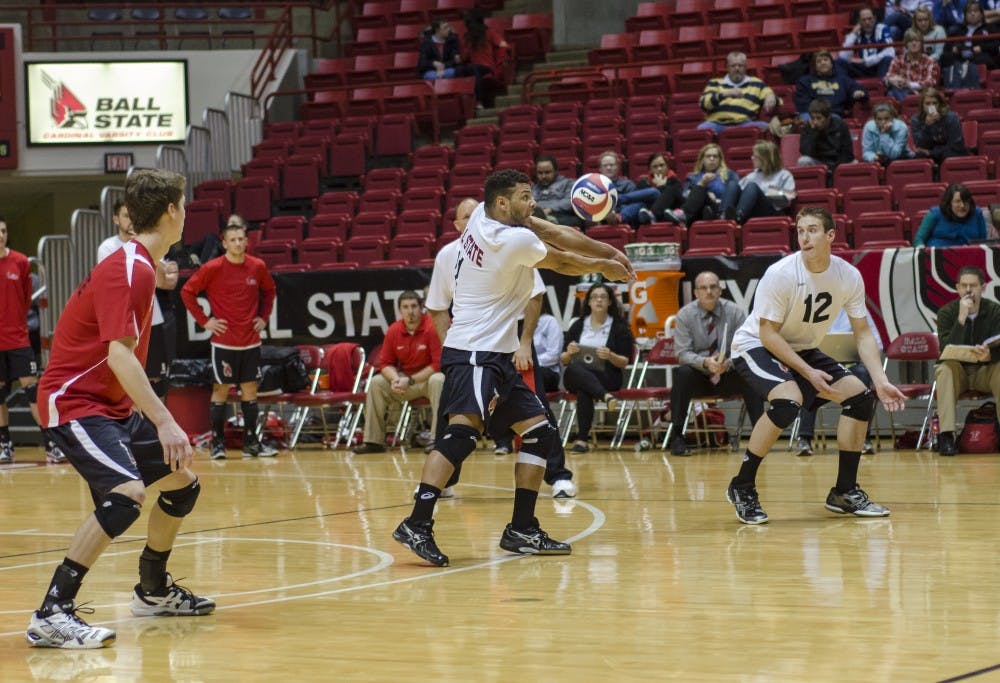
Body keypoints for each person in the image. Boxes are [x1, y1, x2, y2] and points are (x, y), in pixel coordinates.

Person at [393, 170, 633, 567]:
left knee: (539, 433)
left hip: (497, 356)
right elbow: (566, 260)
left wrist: (609, 252)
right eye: (525, 196)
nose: (532, 203)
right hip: (473, 352)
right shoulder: (508, 239)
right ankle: (417, 524)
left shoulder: (482, 219)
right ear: (503, 203)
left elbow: (555, 231)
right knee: (461, 436)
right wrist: (605, 267)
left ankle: (522, 528)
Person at [26, 169, 214, 650]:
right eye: (185, 204)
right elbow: (119, 354)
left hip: (108, 404)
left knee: (181, 485)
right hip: (72, 401)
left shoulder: (143, 265)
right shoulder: (132, 267)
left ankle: (152, 591)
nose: (187, 212)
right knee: (125, 495)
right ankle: (52, 612)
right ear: (171, 210)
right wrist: (166, 419)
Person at [725, 206, 906, 525]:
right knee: (786, 402)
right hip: (755, 345)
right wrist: (807, 373)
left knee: (861, 399)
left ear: (830, 236)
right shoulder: (782, 273)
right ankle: (742, 486)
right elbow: (768, 333)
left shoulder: (848, 276)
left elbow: (863, 333)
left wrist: (880, 379)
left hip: (801, 347)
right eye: (799, 230)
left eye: (812, 230)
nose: (804, 237)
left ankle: (844, 492)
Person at [425, 197, 578, 498]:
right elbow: (437, 307)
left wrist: (524, 343)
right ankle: (443, 485)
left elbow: (535, 296)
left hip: (512, 338)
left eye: (476, 213)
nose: (472, 219)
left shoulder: (506, 243)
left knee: (538, 415)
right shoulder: (448, 255)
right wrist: (448, 346)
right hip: (470, 344)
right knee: (455, 418)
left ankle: (558, 475)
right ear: (457, 225)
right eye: (465, 216)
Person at [180, 217, 277, 461]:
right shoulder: (212, 268)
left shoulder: (257, 266)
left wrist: (264, 317)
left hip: (251, 340)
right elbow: (187, 292)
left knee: (250, 391)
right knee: (220, 389)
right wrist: (205, 321)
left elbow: (270, 291)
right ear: (224, 243)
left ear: (247, 241)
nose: (237, 243)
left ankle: (252, 444)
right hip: (224, 342)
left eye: (241, 239)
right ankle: (218, 444)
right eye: (232, 240)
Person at [667, 271, 764, 456]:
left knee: (750, 374)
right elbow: (681, 353)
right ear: (696, 292)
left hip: (728, 374)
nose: (709, 291)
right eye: (703, 288)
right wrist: (705, 362)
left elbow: (745, 348)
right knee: (681, 374)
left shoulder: (735, 312)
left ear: (720, 290)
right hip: (700, 376)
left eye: (713, 287)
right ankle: (677, 437)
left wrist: (726, 364)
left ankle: (760, 437)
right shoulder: (685, 315)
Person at [97, 200, 179, 400]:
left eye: (135, 215)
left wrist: (150, 254)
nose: (131, 221)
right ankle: (135, 430)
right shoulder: (108, 247)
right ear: (116, 219)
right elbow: (124, 283)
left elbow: (168, 283)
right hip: (125, 322)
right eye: (126, 216)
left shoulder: (149, 244)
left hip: (153, 320)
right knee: (128, 381)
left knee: (157, 380)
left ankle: (156, 430)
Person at [0, 218, 65, 464]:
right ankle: (5, 445)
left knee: (32, 391)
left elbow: (26, 298)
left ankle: (50, 443)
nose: (1, 235)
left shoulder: (20, 261)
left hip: (18, 340)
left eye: (4, 231)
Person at [352, 290, 444, 455]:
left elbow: (437, 364)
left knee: (439, 379)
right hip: (404, 381)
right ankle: (374, 441)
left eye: (414, 306)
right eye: (406, 307)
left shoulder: (431, 327)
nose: (410, 311)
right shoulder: (394, 330)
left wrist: (409, 380)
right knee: (376, 382)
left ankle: (437, 439)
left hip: (425, 380)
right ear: (400, 310)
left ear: (421, 308)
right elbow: (385, 363)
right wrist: (395, 379)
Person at [794, 309, 883, 456]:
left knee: (863, 374)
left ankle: (863, 438)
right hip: (820, 365)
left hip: (850, 365)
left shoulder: (858, 310)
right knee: (810, 379)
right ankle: (804, 438)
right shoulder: (814, 307)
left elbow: (876, 342)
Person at [560, 282, 634, 453]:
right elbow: (563, 360)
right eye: (594, 297)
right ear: (588, 302)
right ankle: (605, 397)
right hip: (576, 375)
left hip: (607, 376)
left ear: (610, 302)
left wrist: (610, 355)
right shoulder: (578, 325)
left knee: (584, 389)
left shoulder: (619, 327)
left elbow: (625, 361)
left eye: (603, 297)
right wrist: (570, 353)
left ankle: (582, 441)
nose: (598, 300)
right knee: (573, 369)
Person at [934, 266, 1000, 455]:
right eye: (964, 286)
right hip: (959, 372)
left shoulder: (995, 310)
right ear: (957, 288)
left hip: (985, 371)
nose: (968, 290)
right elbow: (944, 350)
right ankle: (946, 436)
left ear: (983, 287)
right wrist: (961, 317)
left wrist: (991, 355)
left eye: (973, 285)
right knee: (944, 368)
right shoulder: (947, 312)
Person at [697, 51, 776, 135]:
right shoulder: (715, 83)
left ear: (745, 67)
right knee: (702, 129)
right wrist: (725, 94)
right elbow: (703, 104)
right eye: (733, 66)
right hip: (717, 124)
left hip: (745, 124)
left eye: (740, 65)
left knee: (765, 126)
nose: (737, 69)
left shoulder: (756, 83)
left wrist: (771, 96)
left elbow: (769, 94)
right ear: (727, 67)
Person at [732, 140, 796, 225]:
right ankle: (724, 217)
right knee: (732, 185)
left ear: (766, 159)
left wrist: (763, 192)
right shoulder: (751, 176)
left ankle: (738, 218)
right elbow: (739, 195)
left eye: (756, 156)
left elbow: (786, 202)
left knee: (752, 187)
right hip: (751, 213)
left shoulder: (784, 175)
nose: (752, 158)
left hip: (773, 213)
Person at [793, 50, 868, 120]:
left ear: (832, 64)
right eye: (819, 61)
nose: (823, 63)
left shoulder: (842, 79)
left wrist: (858, 92)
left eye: (825, 60)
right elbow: (802, 103)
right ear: (815, 66)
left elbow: (857, 88)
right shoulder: (805, 81)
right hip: (812, 115)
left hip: (833, 114)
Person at [941, 1, 999, 88]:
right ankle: (952, 89)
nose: (972, 14)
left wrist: (982, 48)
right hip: (960, 58)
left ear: (981, 14)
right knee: (946, 57)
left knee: (984, 59)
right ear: (965, 15)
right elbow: (947, 47)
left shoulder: (990, 28)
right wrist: (954, 48)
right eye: (969, 12)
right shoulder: (958, 30)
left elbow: (996, 45)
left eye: (975, 11)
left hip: (978, 58)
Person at [680, 143, 740, 225]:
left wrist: (717, 200)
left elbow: (736, 194)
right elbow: (685, 195)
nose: (712, 159)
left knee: (733, 185)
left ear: (720, 159)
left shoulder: (729, 175)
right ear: (702, 159)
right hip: (700, 211)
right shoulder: (693, 177)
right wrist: (704, 191)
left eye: (715, 156)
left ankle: (721, 216)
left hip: (721, 208)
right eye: (708, 156)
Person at [461, 8, 510, 109]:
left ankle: (479, 101)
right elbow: (464, 57)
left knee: (475, 70)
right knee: (472, 71)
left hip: (488, 69)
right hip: (474, 70)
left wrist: (501, 55)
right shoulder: (468, 38)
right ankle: (478, 102)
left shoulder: (489, 33)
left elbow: (504, 45)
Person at [913, 182, 987, 246]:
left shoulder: (977, 213)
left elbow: (983, 242)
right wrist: (921, 249)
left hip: (969, 258)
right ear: (949, 203)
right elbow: (919, 240)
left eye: (966, 201)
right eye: (958, 201)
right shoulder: (935, 213)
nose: (962, 206)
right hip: (938, 258)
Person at [910, 87, 968, 163]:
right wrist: (926, 126)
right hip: (930, 153)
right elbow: (919, 146)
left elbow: (956, 145)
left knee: (948, 155)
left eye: (934, 103)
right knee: (918, 156)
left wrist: (932, 152)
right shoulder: (916, 119)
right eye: (927, 104)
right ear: (922, 105)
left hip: (951, 153)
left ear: (940, 104)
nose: (931, 107)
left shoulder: (951, 117)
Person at [797, 99, 855, 173]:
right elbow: (805, 151)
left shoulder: (840, 125)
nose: (815, 122)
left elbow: (848, 153)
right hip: (819, 162)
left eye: (819, 118)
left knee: (854, 163)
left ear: (828, 117)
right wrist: (813, 132)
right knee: (803, 161)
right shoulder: (808, 128)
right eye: (812, 118)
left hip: (838, 162)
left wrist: (834, 168)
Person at [838, 6, 896, 78]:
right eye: (863, 20)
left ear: (874, 18)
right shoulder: (857, 33)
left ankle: (882, 86)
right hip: (863, 69)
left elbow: (890, 52)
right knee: (840, 62)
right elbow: (844, 57)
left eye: (869, 19)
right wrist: (852, 34)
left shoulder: (882, 28)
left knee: (887, 59)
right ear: (859, 21)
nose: (867, 22)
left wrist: (866, 61)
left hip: (879, 66)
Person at [885, 29, 942, 101]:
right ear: (906, 44)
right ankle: (909, 106)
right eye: (910, 41)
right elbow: (888, 78)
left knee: (894, 92)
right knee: (891, 92)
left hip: (923, 96)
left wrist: (909, 85)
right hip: (902, 92)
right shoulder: (897, 60)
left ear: (921, 44)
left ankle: (909, 107)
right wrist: (892, 81)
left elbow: (931, 82)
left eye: (917, 41)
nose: (914, 43)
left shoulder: (930, 61)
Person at [633, 152, 685, 227]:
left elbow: (680, 201)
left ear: (667, 167)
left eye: (662, 165)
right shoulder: (643, 183)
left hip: (669, 217)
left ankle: (652, 215)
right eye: (655, 167)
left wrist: (661, 187)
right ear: (650, 170)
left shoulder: (675, 181)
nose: (659, 169)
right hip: (645, 220)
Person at [532, 155, 580, 227]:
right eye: (540, 173)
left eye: (547, 172)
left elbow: (571, 202)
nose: (543, 176)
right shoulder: (533, 189)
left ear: (556, 171)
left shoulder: (568, 183)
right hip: (538, 218)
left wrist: (551, 209)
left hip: (561, 218)